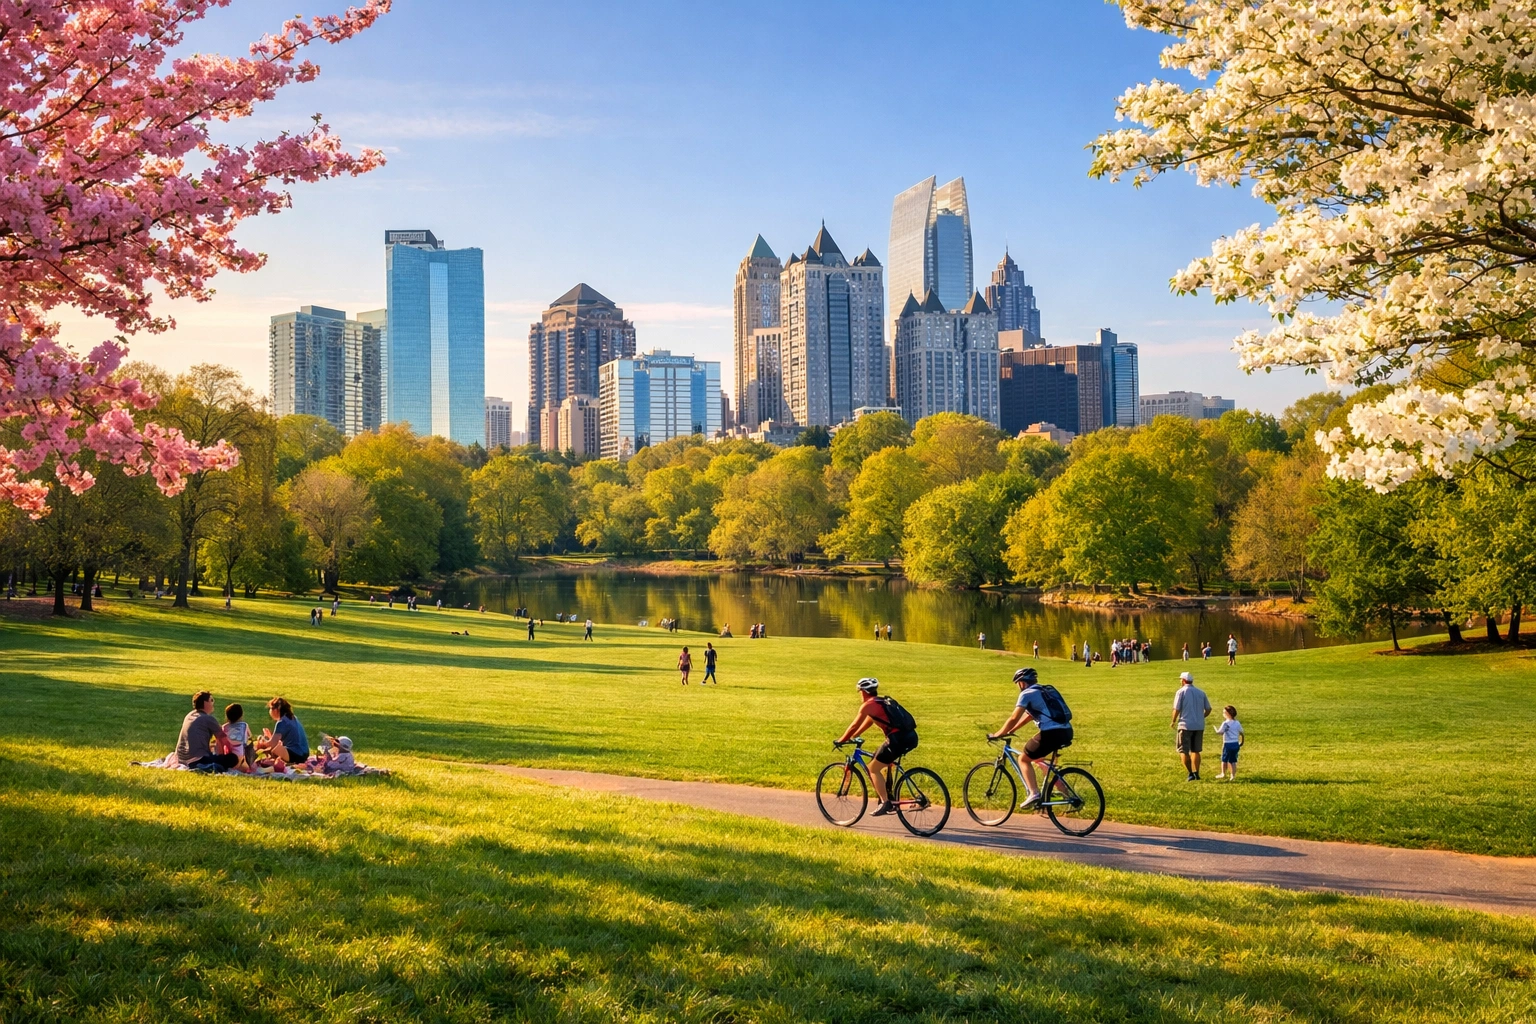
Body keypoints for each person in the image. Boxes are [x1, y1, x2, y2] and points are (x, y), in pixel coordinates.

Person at [988, 667, 1074, 810]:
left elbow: (1014, 717)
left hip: (1051, 733)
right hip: (1066, 731)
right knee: (1038, 759)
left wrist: (998, 734)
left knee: (1023, 758)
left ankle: (1034, 793)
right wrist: (1012, 730)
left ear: (1022, 683)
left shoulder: (1026, 694)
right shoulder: (1043, 690)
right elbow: (1029, 716)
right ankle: (1065, 794)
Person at [834, 678, 918, 816]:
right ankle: (889, 794)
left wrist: (842, 740)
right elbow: (869, 721)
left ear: (863, 692)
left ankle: (886, 803)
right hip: (910, 736)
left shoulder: (867, 705)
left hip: (897, 740)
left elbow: (854, 725)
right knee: (877, 756)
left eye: (860, 691)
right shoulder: (880, 702)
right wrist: (856, 735)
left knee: (872, 768)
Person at [175, 691, 239, 771]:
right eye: (211, 700)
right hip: (197, 759)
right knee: (233, 758)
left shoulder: (189, 715)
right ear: (205, 703)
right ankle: (208, 766)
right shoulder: (208, 719)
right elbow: (223, 739)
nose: (213, 703)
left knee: (213, 753)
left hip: (181, 759)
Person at [1171, 671, 1212, 781]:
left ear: (1183, 681)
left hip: (1185, 725)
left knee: (1183, 750)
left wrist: (1173, 720)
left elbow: (1177, 709)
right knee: (1196, 750)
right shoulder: (1201, 692)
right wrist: (1201, 717)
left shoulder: (1181, 692)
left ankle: (1190, 773)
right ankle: (1197, 773)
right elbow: (1208, 709)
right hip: (1199, 725)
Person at [259, 697, 310, 765]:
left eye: (271, 709)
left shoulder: (282, 722)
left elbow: (272, 744)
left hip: (295, 755)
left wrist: (261, 743)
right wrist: (269, 738)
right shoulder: (292, 718)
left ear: (277, 709)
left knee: (269, 746)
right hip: (304, 754)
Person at [1215, 704, 1244, 781]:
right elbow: (1241, 732)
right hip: (1235, 743)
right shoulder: (1237, 723)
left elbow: (1220, 732)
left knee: (1224, 759)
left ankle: (1223, 773)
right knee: (1233, 760)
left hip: (1227, 743)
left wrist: (1217, 731)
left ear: (1228, 714)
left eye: (1224, 713)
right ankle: (1233, 776)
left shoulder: (1225, 723)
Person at [223, 703, 251, 770]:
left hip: (230, 758)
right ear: (241, 715)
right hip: (242, 758)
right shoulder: (244, 725)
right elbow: (250, 736)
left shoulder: (225, 727)